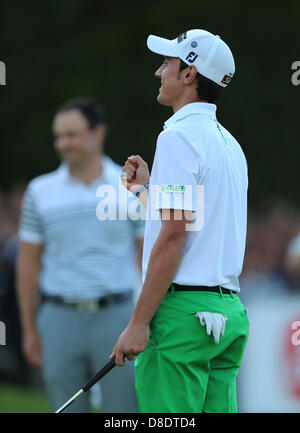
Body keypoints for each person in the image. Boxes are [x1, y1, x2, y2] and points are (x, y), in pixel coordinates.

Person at [110, 29, 250, 413]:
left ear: (189, 75)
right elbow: (192, 221)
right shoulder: (230, 144)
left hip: (182, 319)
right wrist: (144, 190)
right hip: (227, 316)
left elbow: (174, 237)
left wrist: (139, 322)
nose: (158, 72)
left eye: (166, 63)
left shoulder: (178, 136)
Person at [17, 98, 144, 413]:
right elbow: (29, 263)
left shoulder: (129, 186)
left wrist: (145, 319)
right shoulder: (39, 191)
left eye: (72, 134)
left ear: (97, 133)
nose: (63, 144)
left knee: (123, 412)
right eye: (59, 136)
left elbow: (147, 257)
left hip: (118, 316)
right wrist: (29, 327)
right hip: (59, 318)